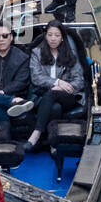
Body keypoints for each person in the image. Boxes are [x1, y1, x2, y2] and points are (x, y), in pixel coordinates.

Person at [24, 23, 85, 153]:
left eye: (57, 35)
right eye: (50, 35)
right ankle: (53, 144)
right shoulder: (37, 53)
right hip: (43, 94)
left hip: (68, 95)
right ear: (45, 36)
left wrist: (63, 87)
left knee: (53, 95)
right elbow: (36, 77)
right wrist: (57, 82)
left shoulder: (71, 54)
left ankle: (37, 132)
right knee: (55, 107)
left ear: (62, 38)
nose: (53, 38)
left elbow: (79, 80)